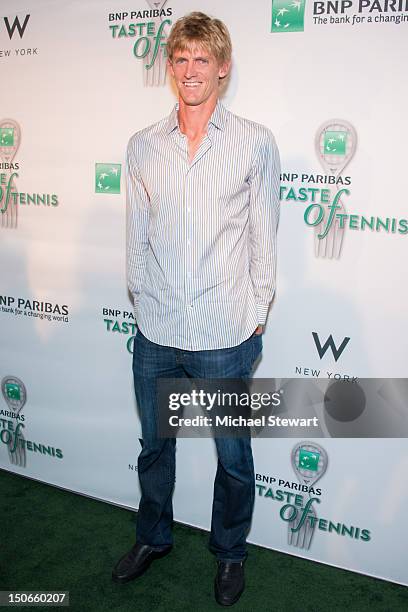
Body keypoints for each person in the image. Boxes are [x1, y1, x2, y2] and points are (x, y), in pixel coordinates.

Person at [112, 11, 280, 607]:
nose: (189, 70)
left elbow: (265, 235)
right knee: (155, 448)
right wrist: (142, 303)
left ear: (223, 69)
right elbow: (136, 236)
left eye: (201, 60)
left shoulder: (254, 142)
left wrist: (255, 311)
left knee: (234, 459)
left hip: (225, 334)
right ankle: (153, 537)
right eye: (180, 59)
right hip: (156, 332)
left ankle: (229, 553)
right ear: (169, 67)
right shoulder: (142, 146)